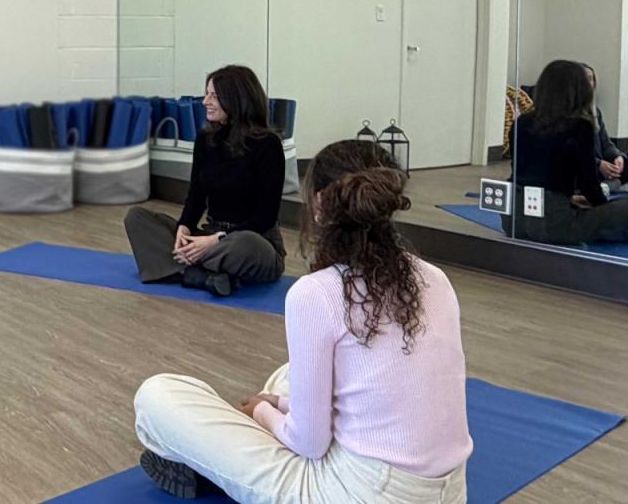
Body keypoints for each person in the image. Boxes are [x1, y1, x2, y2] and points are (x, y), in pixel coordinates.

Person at [132, 140, 472, 503]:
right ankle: (232, 444)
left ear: (321, 203)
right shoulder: (434, 277)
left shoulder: (316, 293)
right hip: (449, 492)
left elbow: (309, 444)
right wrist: (280, 405)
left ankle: (207, 459)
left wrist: (263, 412)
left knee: (156, 396)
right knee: (289, 375)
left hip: (360, 492)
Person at [124, 65, 286, 298]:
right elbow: (196, 195)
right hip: (210, 234)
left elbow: (265, 217)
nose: (205, 101)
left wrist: (215, 241)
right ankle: (206, 275)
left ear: (236, 100)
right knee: (137, 219)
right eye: (206, 93)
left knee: (244, 244)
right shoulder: (205, 139)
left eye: (214, 96)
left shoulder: (268, 144)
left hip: (253, 241)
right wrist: (184, 227)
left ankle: (186, 270)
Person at [508, 60, 628, 244]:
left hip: (513, 222)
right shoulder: (579, 125)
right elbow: (589, 185)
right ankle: (612, 231)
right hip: (555, 224)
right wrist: (604, 212)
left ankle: (613, 231)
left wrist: (574, 200)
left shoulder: (521, 122)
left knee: (604, 215)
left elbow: (523, 173)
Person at [581, 63, 628, 195]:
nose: (588, 83)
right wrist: (598, 164)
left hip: (603, 168)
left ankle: (607, 187)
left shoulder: (595, 112)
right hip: (583, 168)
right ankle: (610, 186)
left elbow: (606, 143)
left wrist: (617, 156)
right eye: (583, 78)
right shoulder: (564, 115)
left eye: (591, 78)